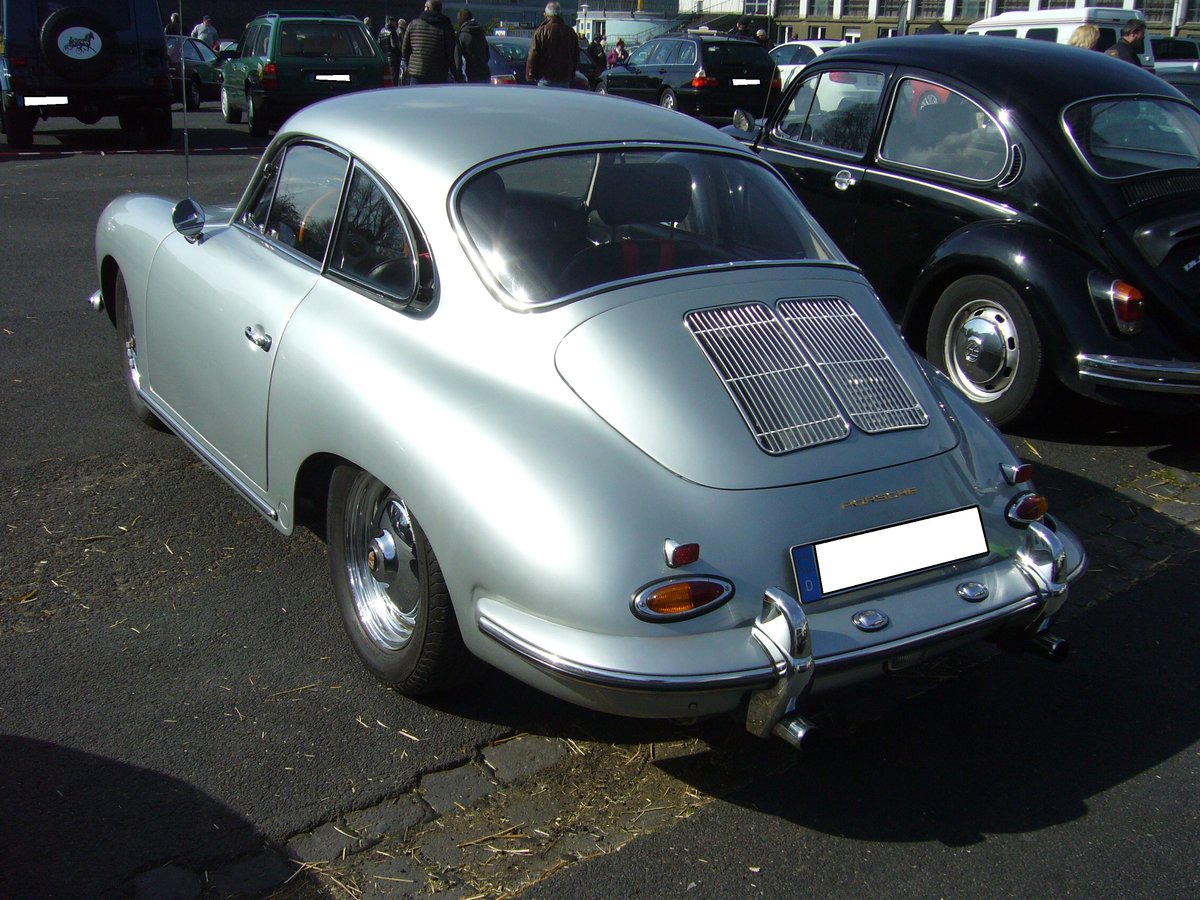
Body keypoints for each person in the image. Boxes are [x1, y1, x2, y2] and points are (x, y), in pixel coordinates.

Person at [403, 0, 461, 85]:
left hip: (416, 72)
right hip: (438, 73)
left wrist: (410, 66)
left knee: (417, 93)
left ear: (427, 8)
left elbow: (405, 49)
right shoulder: (446, 27)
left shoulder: (413, 24)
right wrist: (455, 74)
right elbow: (450, 53)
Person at [527, 2, 577, 88]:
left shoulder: (540, 31)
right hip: (564, 76)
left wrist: (530, 75)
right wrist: (572, 73)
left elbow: (533, 54)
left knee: (544, 97)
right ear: (560, 14)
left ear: (545, 15)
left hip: (545, 76)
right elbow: (575, 55)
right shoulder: (570, 32)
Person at [455, 9, 490, 83]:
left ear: (461, 20)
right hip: (485, 72)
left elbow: (457, 59)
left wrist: (458, 76)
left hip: (471, 75)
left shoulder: (462, 35)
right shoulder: (480, 32)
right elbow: (487, 55)